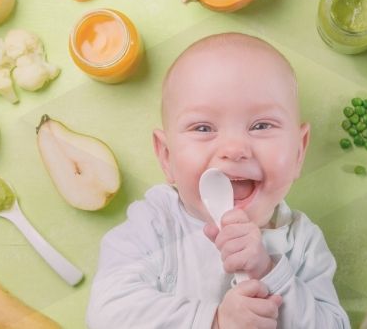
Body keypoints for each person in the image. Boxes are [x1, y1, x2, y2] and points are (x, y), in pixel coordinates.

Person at [86, 33, 350, 329]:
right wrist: (215, 321)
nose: (234, 149)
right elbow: (106, 315)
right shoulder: (154, 224)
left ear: (299, 151)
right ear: (166, 156)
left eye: (261, 125)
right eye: (203, 128)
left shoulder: (301, 242)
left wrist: (269, 272)